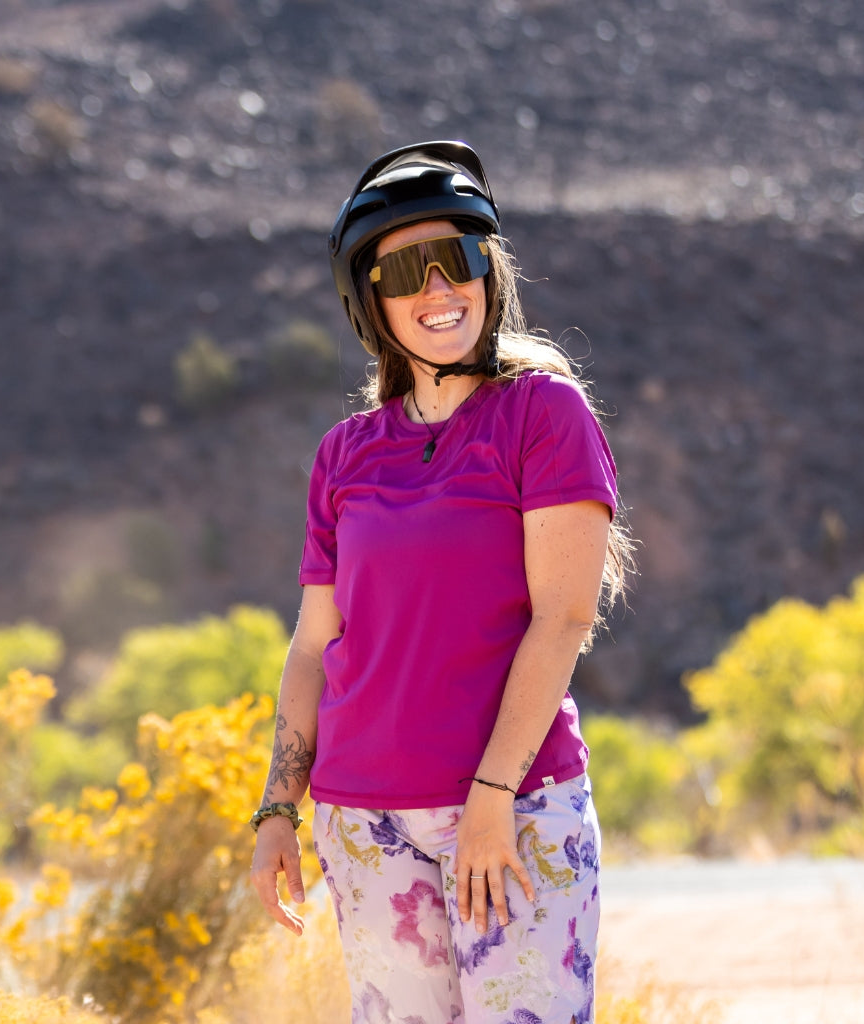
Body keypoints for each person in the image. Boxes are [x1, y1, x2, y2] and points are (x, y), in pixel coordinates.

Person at [250, 140, 634, 1024]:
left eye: (455, 260)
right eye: (405, 272)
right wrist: (279, 806)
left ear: (487, 271)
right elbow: (314, 644)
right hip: (362, 819)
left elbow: (564, 615)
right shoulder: (343, 455)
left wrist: (492, 798)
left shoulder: (544, 413)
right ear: (369, 302)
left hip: (516, 807)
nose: (436, 289)